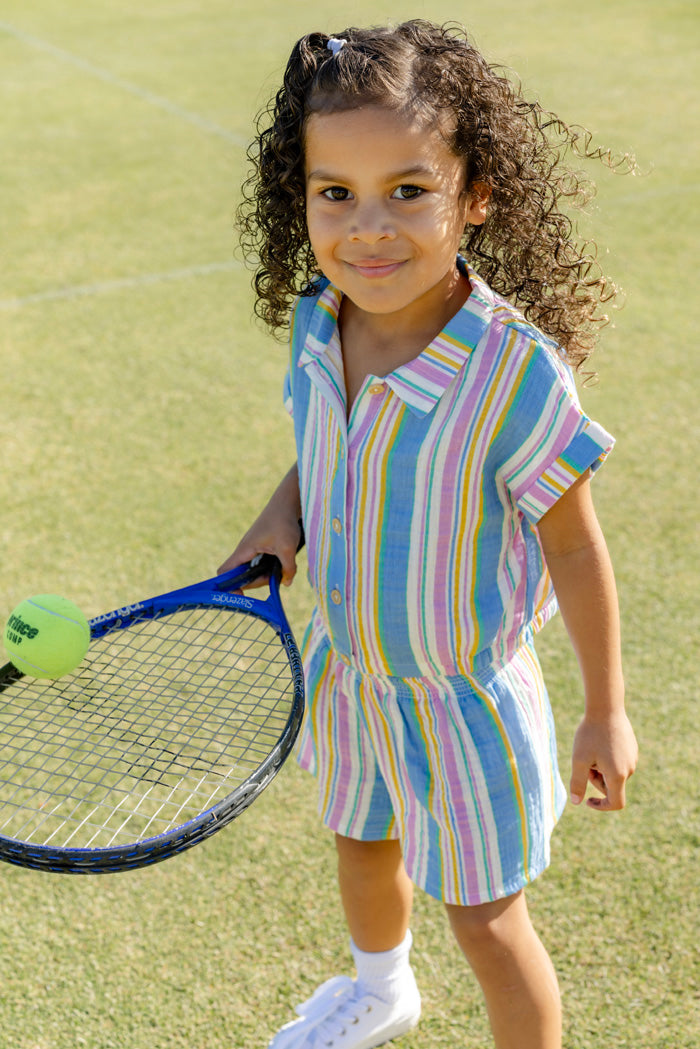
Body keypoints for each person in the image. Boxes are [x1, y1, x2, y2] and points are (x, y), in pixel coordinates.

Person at [220, 21, 638, 1049]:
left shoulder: (513, 371)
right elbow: (327, 456)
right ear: (303, 198)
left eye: (408, 190)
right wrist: (277, 527)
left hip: (465, 702)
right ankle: (380, 987)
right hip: (354, 672)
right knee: (359, 836)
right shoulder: (323, 319)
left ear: (475, 194)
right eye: (335, 192)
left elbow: (574, 545)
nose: (368, 227)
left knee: (486, 920)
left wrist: (605, 711)